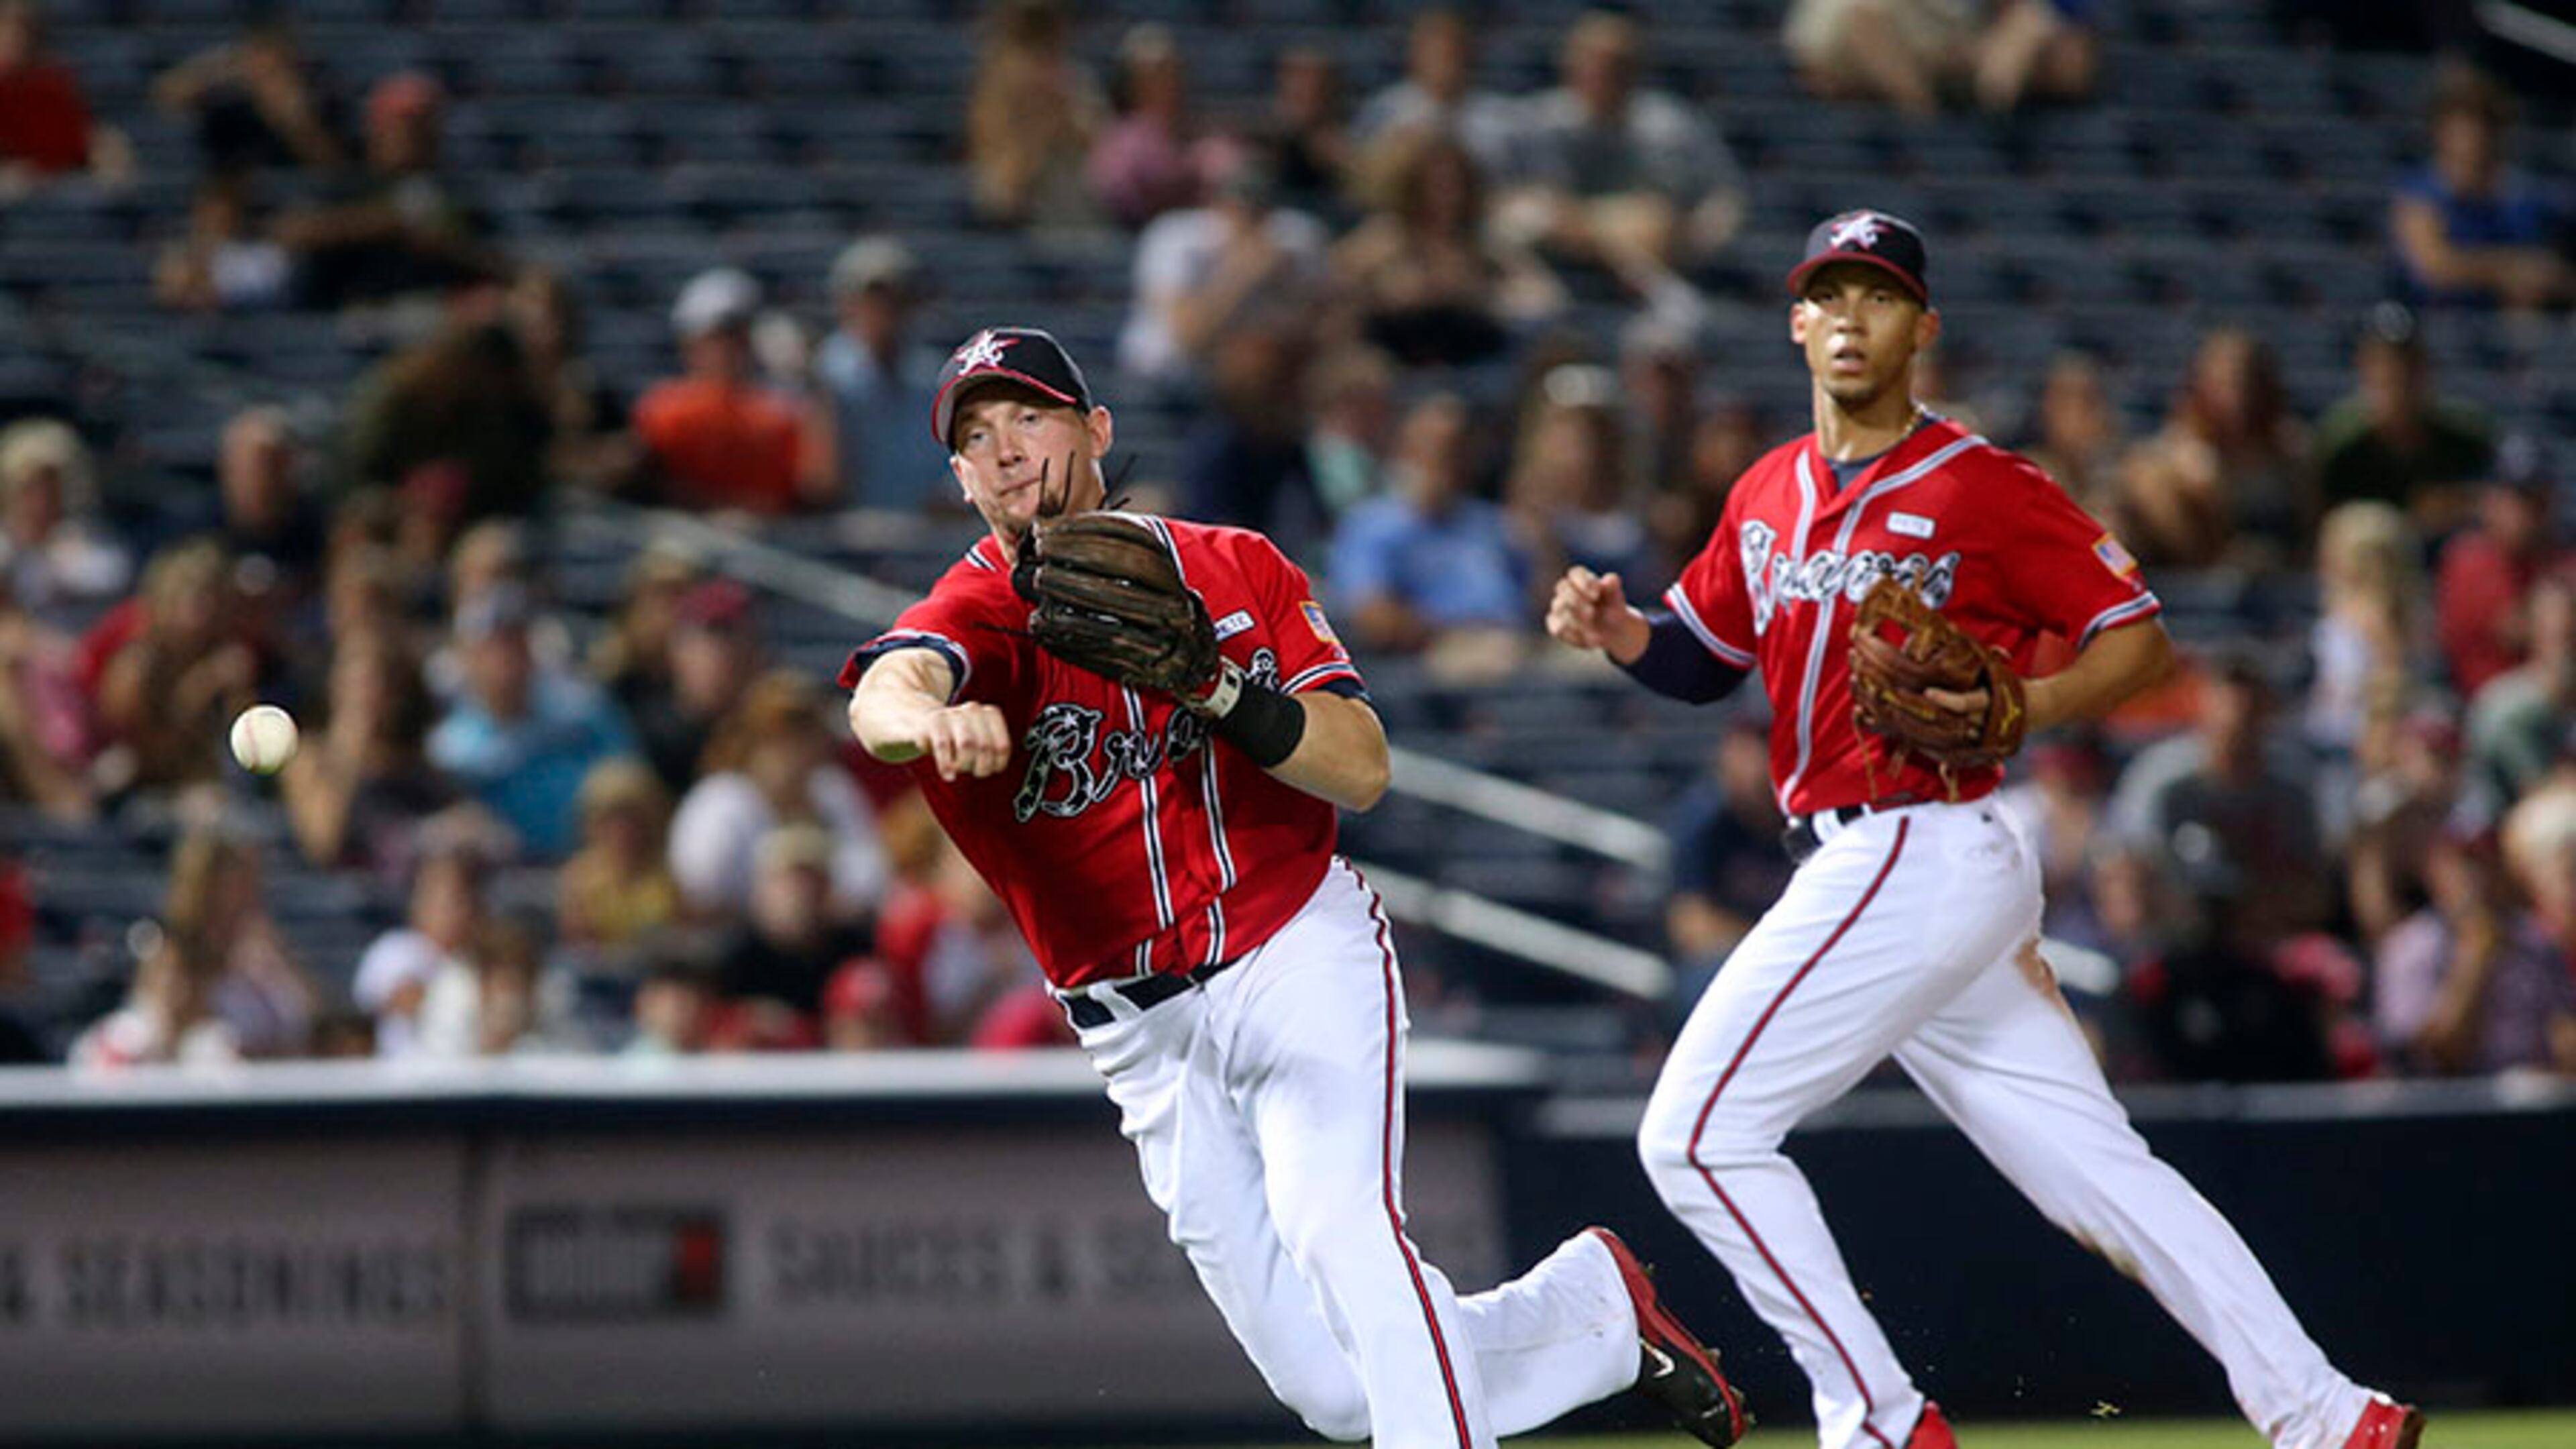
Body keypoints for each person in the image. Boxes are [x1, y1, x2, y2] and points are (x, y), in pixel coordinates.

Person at [1546, 210, 2423, 1449]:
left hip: (1917, 841)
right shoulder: (1764, 491)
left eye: (1880, 296)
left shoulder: (1984, 485)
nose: (1853, 318)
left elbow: (2140, 638)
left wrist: (2031, 704)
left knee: (1693, 1133)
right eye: (1830, 294)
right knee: (2102, 1176)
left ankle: (1881, 1423)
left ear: (1923, 327)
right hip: (1900, 871)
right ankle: (2330, 1414)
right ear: (1797, 322)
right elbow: (1704, 658)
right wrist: (1618, 629)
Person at [843, 325, 1748, 1449]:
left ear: (1099, 430)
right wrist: (930, 717)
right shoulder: (976, 614)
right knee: (1332, 1392)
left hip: (1291, 946)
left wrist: (1220, 689)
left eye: (1031, 417)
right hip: (1140, 1035)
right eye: (978, 438)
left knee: (1344, 1235)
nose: (1008, 451)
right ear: (960, 478)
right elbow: (886, 688)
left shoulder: (1236, 567)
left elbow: (1361, 767)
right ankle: (1592, 1317)